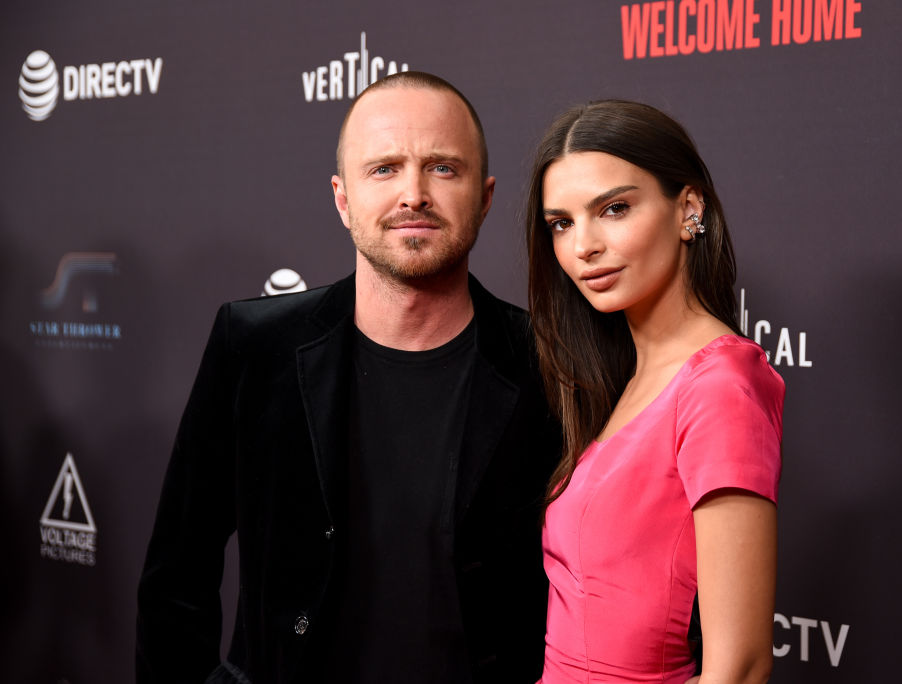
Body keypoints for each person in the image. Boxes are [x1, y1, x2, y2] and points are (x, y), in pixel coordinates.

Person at [136, 71, 560, 684]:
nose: (413, 193)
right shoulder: (254, 347)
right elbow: (177, 578)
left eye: (443, 168)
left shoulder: (549, 361)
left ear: (487, 196)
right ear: (341, 197)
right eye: (384, 169)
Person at [525, 100, 784, 683]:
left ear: (688, 208)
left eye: (613, 209)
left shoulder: (720, 383)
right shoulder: (630, 379)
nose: (582, 246)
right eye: (561, 223)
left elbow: (738, 668)